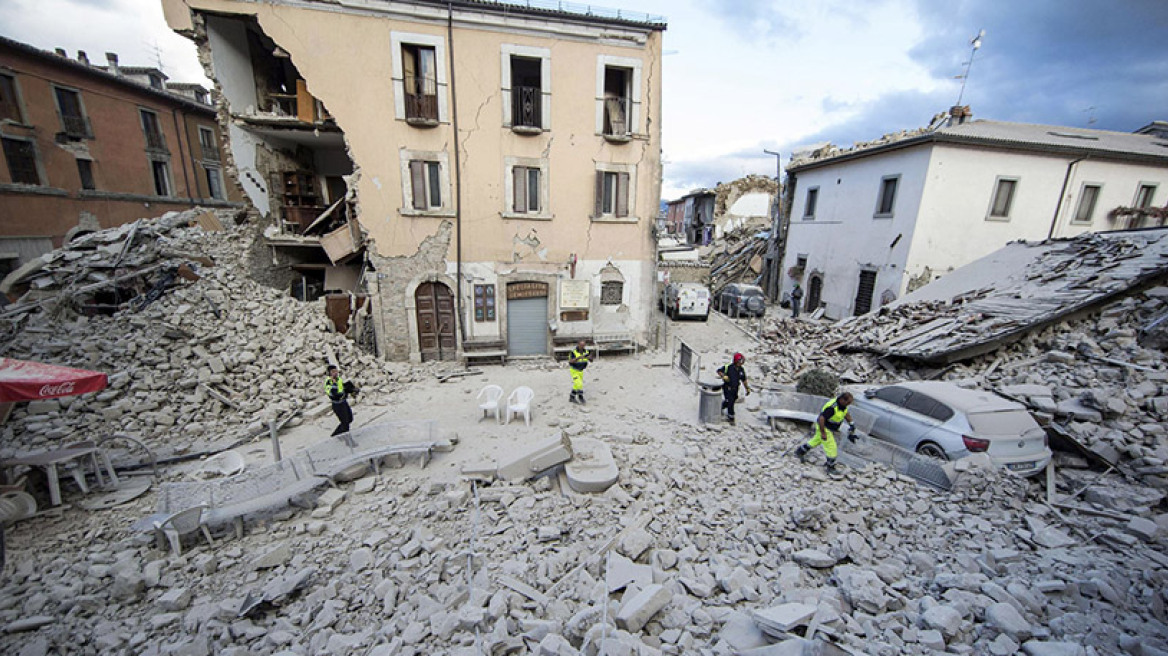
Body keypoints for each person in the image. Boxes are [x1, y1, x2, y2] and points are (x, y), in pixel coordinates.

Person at [794, 392, 855, 473]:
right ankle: (830, 467)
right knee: (831, 447)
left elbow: (846, 414)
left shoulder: (842, 406)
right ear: (842, 400)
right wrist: (823, 432)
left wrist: (852, 424)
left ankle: (800, 451)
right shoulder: (832, 408)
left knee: (816, 441)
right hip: (824, 427)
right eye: (847, 403)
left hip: (829, 427)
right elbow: (821, 419)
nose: (848, 405)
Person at [716, 352, 752, 424]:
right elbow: (719, 371)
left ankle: (721, 406)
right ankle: (731, 417)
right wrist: (723, 376)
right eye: (740, 361)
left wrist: (747, 388)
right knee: (731, 401)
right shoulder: (728, 367)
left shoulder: (741, 370)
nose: (741, 363)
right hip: (727, 387)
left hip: (735, 388)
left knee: (733, 399)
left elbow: (743, 380)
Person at [325, 365, 360, 437]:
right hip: (338, 405)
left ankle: (337, 434)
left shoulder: (338, 379)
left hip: (344, 403)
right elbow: (335, 394)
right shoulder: (328, 383)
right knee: (345, 424)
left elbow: (342, 387)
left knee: (350, 418)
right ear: (329, 373)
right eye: (333, 372)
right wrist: (346, 391)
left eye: (336, 371)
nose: (335, 373)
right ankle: (345, 439)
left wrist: (351, 389)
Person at [568, 340, 591, 404]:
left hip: (581, 370)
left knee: (576, 384)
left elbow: (591, 360)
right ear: (578, 344)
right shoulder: (573, 352)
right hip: (574, 370)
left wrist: (589, 357)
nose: (582, 347)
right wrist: (578, 358)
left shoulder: (586, 352)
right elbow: (570, 361)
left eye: (583, 345)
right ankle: (581, 397)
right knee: (579, 384)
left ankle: (571, 397)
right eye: (581, 345)